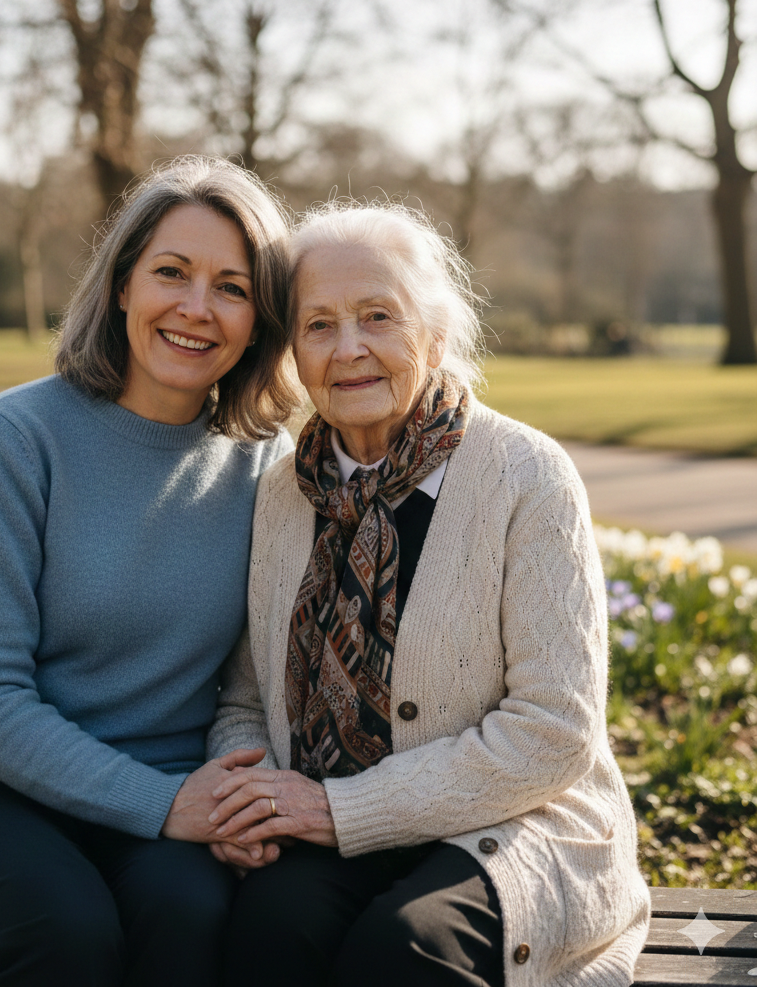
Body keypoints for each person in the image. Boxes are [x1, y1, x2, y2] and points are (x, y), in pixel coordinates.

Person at [205, 202, 652, 987]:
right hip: (326, 820)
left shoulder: (526, 476)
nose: (350, 349)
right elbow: (245, 698)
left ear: (437, 335)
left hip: (516, 822)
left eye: (378, 316)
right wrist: (248, 802)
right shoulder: (282, 495)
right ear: (293, 352)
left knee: (405, 949)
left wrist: (340, 812)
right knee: (267, 932)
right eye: (319, 325)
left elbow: (554, 731)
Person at [0, 156, 299, 987]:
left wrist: (234, 800)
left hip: (168, 794)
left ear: (259, 321)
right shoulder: (14, 438)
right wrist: (162, 804)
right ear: (121, 285)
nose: (196, 307)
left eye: (232, 287)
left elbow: (252, 687)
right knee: (63, 932)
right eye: (171, 272)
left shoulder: (267, 467)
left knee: (192, 917)